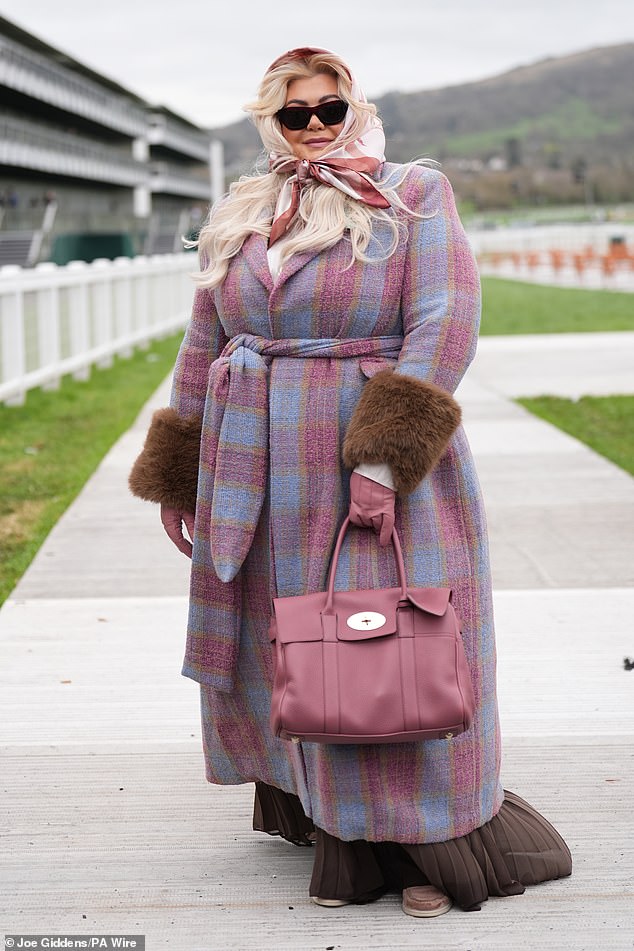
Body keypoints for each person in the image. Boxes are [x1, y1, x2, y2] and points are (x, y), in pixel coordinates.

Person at [129, 47, 571, 917]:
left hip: (362, 458)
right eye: (297, 114)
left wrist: (383, 460)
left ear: (353, 105)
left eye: (330, 107)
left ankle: (420, 846)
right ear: (273, 122)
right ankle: (327, 820)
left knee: (383, 648)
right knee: (288, 646)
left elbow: (444, 323)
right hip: (254, 465)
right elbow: (203, 342)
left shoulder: (413, 192)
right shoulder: (245, 207)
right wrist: (181, 477)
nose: (318, 126)